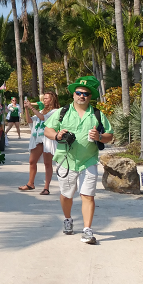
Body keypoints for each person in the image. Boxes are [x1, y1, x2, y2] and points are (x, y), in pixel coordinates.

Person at [45, 76, 113, 244]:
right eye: (79, 93)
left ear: (90, 97)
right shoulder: (62, 112)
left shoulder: (97, 114)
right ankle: (67, 218)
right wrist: (57, 135)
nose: (82, 96)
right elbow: (47, 130)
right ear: (73, 94)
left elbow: (109, 135)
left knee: (88, 195)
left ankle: (87, 230)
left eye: (86, 94)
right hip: (66, 160)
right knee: (66, 195)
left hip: (88, 160)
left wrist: (99, 136)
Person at [19, 91, 59, 194]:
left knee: (47, 163)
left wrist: (32, 107)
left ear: (52, 99)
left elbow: (43, 118)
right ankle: (30, 184)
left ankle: (46, 188)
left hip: (48, 138)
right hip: (38, 138)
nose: (44, 100)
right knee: (32, 161)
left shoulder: (55, 111)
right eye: (44, 98)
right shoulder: (41, 110)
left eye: (46, 98)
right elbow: (30, 121)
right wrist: (26, 109)